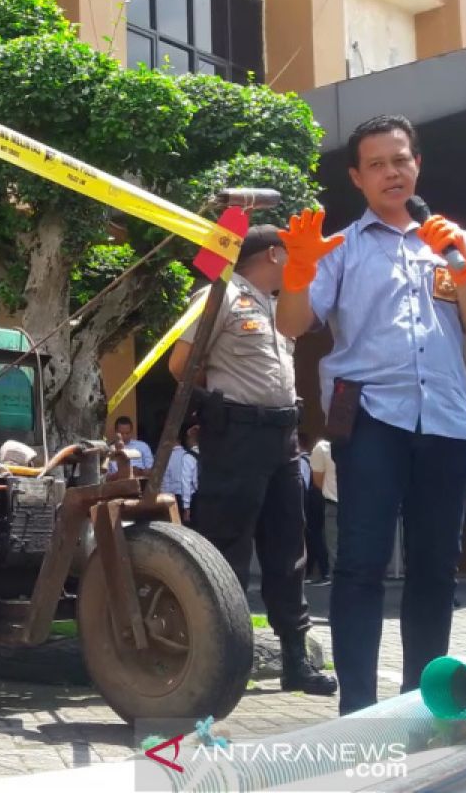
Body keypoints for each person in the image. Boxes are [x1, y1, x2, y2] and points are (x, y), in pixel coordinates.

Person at [276, 114, 466, 714]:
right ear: (358, 177)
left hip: (448, 421)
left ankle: (422, 708)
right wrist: (297, 273)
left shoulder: (456, 240)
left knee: (435, 570)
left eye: (400, 159)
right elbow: (293, 325)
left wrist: (462, 267)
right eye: (376, 164)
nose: (391, 172)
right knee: (361, 564)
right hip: (371, 415)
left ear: (417, 164)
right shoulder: (343, 248)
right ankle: (360, 711)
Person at [169, 224, 337, 696]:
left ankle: (294, 662)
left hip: (283, 437)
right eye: (291, 254)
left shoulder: (279, 307)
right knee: (228, 550)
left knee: (289, 552)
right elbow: (182, 365)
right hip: (238, 435)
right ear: (274, 255)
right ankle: (223, 664)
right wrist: (220, 406)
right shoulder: (219, 294)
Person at [298, 432, 330, 585]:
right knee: (314, 537)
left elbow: (303, 484)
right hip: (317, 502)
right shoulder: (310, 460)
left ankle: (322, 572)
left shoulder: (302, 461)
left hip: (311, 504)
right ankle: (312, 572)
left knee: (315, 537)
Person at [309, 435, 339, 577]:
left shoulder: (323, 449)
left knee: (334, 548)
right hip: (352, 504)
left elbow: (318, 481)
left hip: (333, 502)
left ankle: (338, 581)